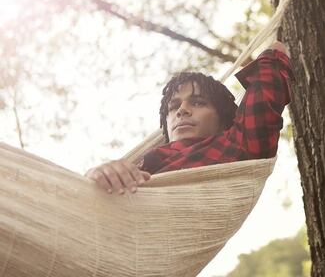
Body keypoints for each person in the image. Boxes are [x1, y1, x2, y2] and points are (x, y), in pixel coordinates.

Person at [85, 41, 292, 194]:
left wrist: (274, 52)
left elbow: (266, 90)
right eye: (174, 106)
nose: (181, 110)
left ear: (224, 121)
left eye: (198, 102)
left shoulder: (237, 145)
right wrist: (97, 176)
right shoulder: (141, 164)